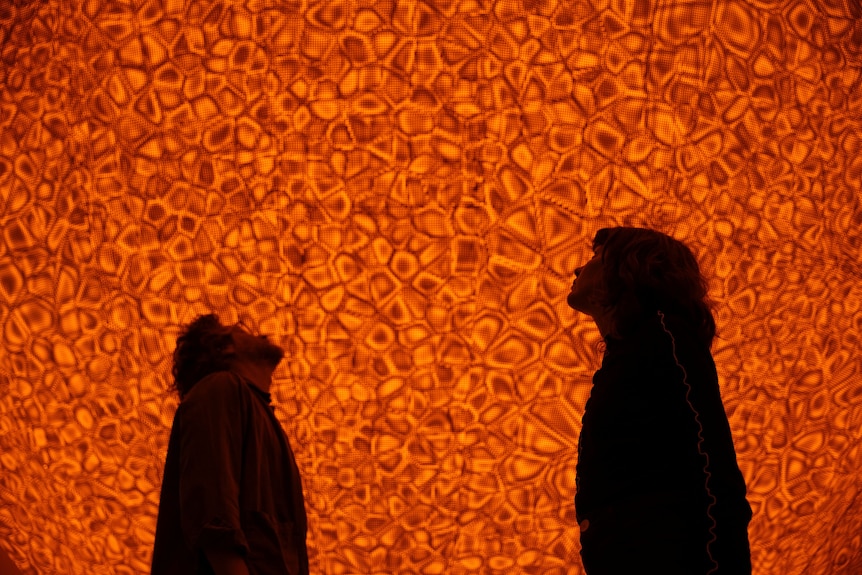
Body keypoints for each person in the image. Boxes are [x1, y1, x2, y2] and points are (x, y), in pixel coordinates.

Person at [567, 227, 752, 575]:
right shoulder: (622, 359)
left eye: (594, 258)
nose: (577, 270)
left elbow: (712, 464)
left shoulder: (665, 337)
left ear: (626, 269)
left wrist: (722, 564)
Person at [151, 314, 309, 575]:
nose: (260, 334)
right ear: (224, 347)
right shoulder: (219, 389)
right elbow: (213, 514)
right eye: (240, 330)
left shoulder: (264, 418)